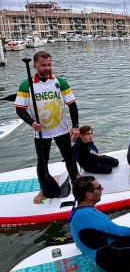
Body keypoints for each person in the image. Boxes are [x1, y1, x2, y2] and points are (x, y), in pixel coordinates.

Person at [14, 50, 80, 204]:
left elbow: (72, 105)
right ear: (35, 65)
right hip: (41, 132)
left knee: (69, 157)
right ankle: (43, 188)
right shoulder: (26, 85)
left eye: (49, 64)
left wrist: (75, 126)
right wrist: (32, 123)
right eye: (43, 65)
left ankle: (75, 180)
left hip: (61, 129)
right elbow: (19, 109)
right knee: (42, 161)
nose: (47, 68)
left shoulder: (60, 82)